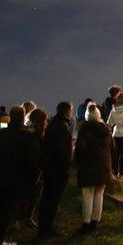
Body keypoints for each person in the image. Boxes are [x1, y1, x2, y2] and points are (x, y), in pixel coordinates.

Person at [0, 105, 39, 245]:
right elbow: (32, 160)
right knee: (7, 209)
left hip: (0, 175)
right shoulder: (26, 136)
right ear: (23, 117)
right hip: (17, 178)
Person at [75, 104, 112, 233]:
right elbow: (111, 147)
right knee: (99, 194)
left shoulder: (84, 129)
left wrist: (76, 162)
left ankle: (86, 222)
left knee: (87, 194)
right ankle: (95, 221)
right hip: (103, 165)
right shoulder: (105, 129)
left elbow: (80, 148)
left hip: (88, 165)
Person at [38, 102, 72, 238]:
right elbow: (62, 150)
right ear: (66, 112)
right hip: (57, 170)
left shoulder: (53, 124)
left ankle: (43, 226)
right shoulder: (62, 127)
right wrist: (67, 168)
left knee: (46, 197)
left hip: (48, 167)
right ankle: (48, 228)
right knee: (53, 199)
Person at [20, 108, 48, 227]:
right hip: (34, 170)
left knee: (26, 194)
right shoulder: (37, 136)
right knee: (31, 194)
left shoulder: (25, 133)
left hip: (26, 168)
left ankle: (22, 217)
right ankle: (26, 217)